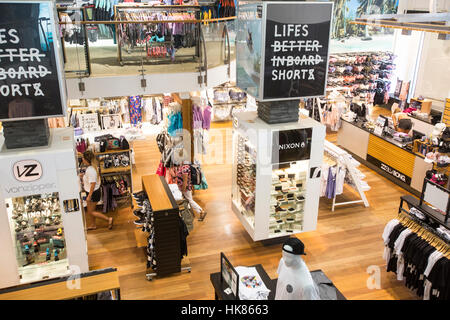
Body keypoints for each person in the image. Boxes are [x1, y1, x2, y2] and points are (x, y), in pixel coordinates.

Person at [81, 150, 113, 230]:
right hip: (92, 192)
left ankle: (108, 219)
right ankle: (93, 225)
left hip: (93, 193)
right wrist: (84, 177)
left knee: (91, 211)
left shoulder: (91, 170)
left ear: (86, 159)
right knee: (90, 210)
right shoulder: (91, 168)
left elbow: (93, 184)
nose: (82, 159)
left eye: (83, 158)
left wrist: (89, 196)